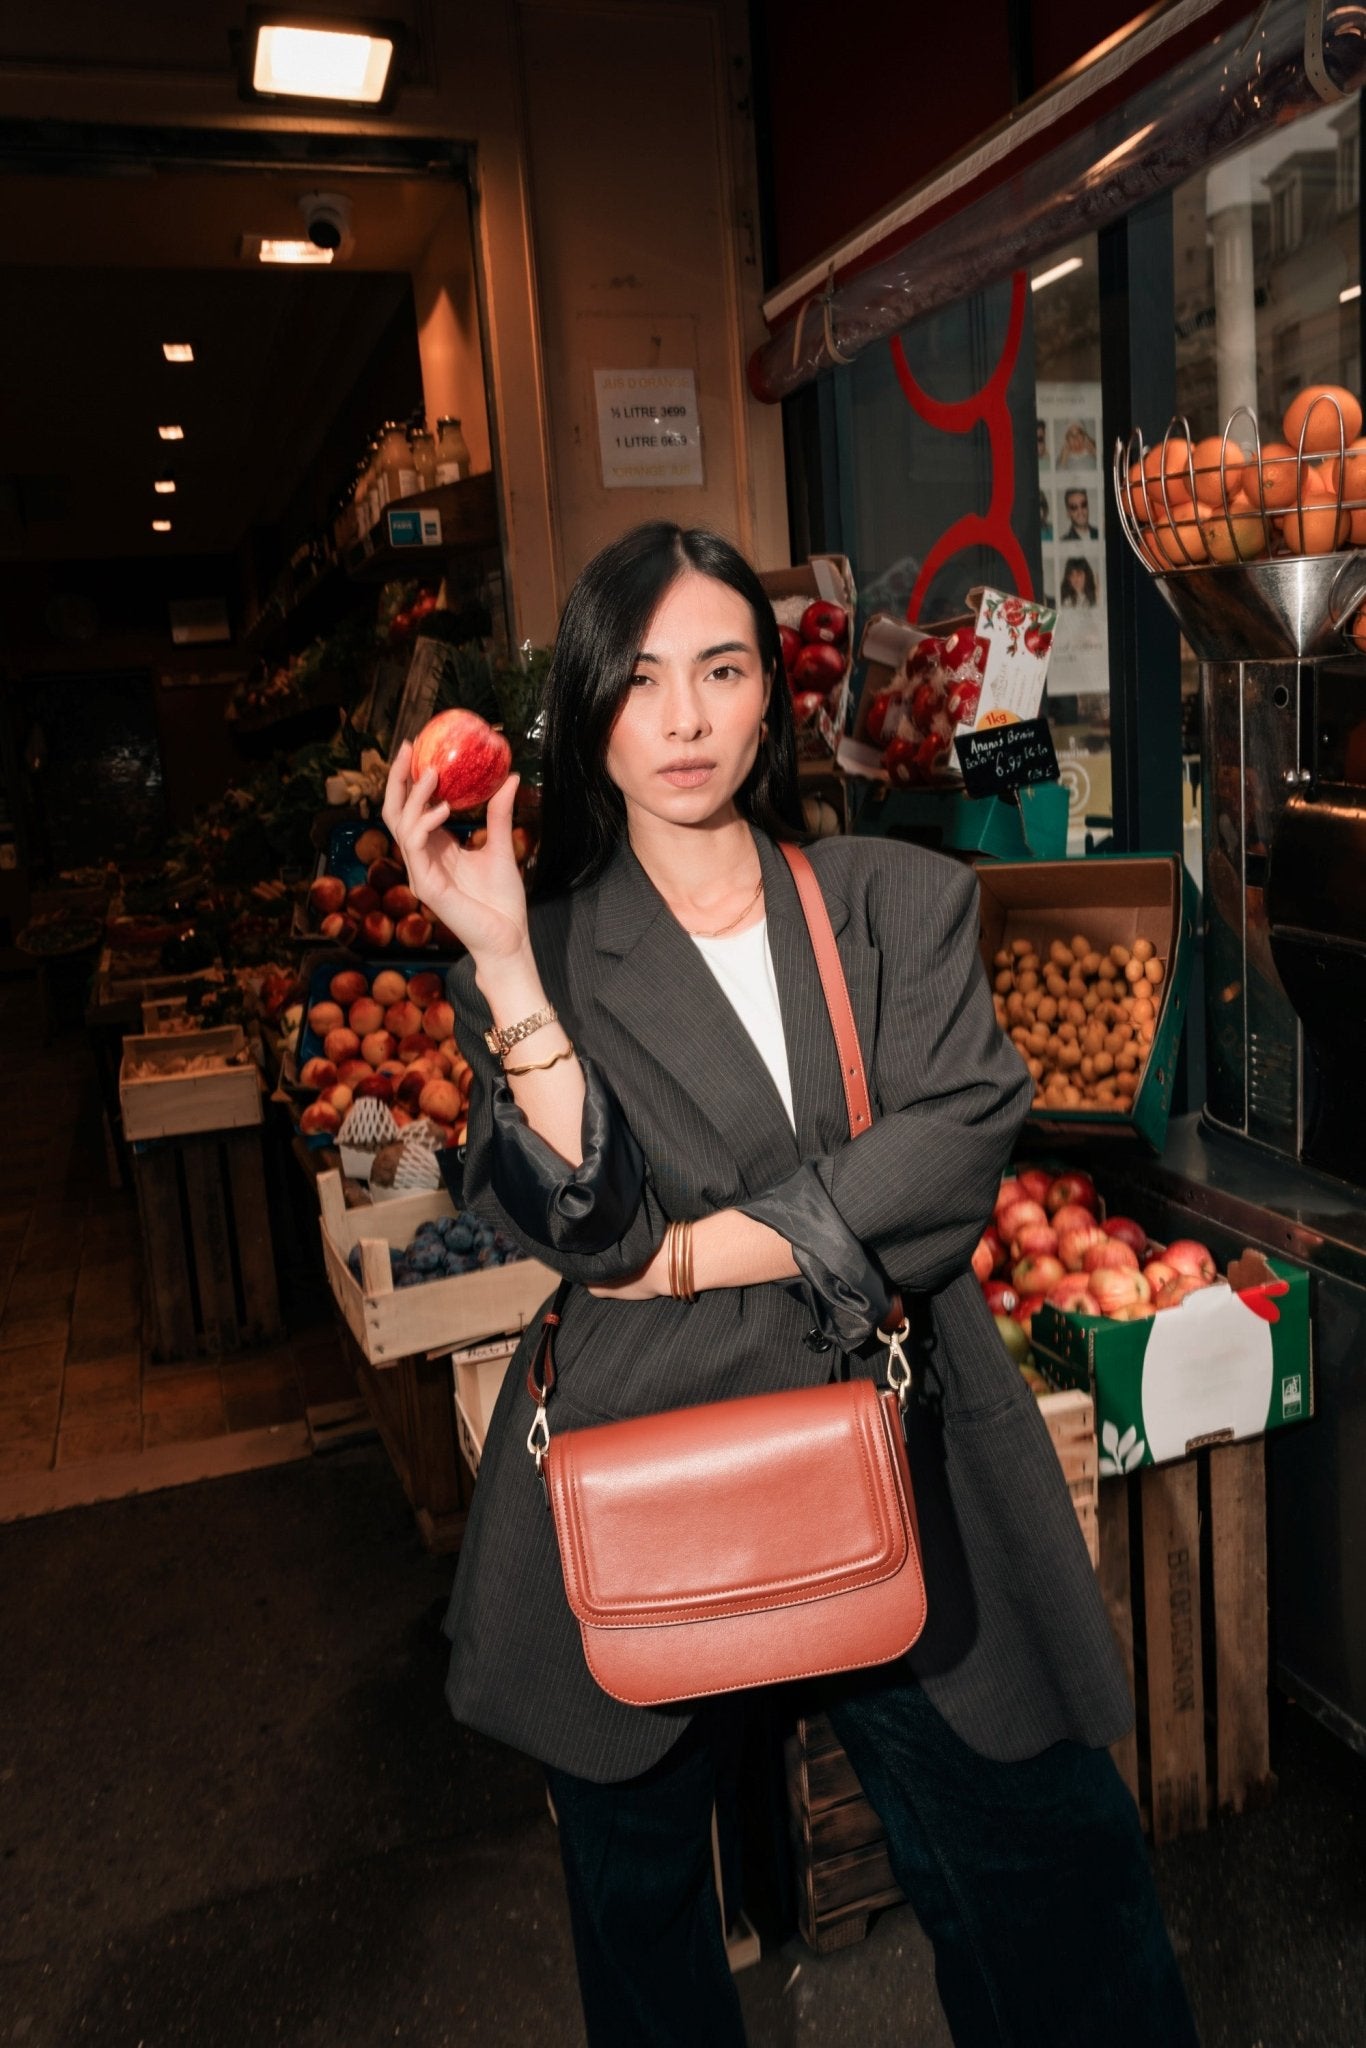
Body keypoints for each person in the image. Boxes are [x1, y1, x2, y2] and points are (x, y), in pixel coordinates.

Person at [383, 523, 1198, 2048]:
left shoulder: (897, 902)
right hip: (646, 1479)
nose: (683, 719)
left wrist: (689, 1254)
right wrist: (496, 956)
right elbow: (578, 1221)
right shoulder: (542, 951)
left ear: (774, 698)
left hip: (907, 1451)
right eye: (637, 681)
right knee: (650, 1953)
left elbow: (956, 1143)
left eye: (720, 669)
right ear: (587, 713)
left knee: (1053, 1896)